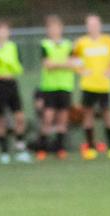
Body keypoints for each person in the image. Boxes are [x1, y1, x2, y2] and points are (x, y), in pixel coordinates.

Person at [73, 14, 110, 159]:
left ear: (100, 25)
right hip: (88, 84)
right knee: (88, 115)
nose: (93, 27)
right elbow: (73, 58)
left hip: (104, 84)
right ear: (87, 27)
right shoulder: (81, 42)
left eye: (95, 24)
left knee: (107, 114)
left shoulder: (109, 41)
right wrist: (81, 70)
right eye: (90, 25)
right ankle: (90, 147)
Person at [0, 20, 31, 164]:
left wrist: (4, 64)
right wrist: (2, 69)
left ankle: (20, 147)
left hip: (12, 85)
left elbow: (18, 68)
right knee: (0, 120)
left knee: (19, 117)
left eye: (5, 30)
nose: (2, 34)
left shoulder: (13, 47)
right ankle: (4, 151)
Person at [36, 15, 76, 160]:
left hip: (65, 86)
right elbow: (48, 65)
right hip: (49, 87)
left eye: (56, 27)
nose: (54, 30)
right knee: (48, 118)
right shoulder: (45, 44)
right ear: (48, 30)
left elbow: (73, 63)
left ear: (61, 28)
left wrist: (57, 64)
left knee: (63, 119)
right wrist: (64, 63)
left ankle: (60, 148)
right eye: (51, 28)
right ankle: (42, 148)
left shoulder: (68, 44)